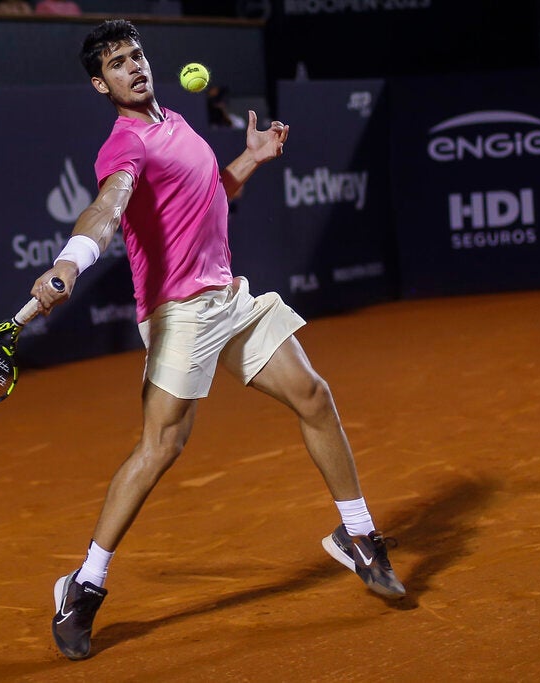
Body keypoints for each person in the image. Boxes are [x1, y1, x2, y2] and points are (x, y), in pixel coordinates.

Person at [29, 19, 407, 661]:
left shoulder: (176, 122)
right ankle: (84, 584)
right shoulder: (125, 145)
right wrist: (69, 260)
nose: (134, 67)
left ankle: (358, 534)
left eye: (137, 55)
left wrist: (251, 160)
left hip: (229, 297)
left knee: (313, 396)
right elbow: (107, 207)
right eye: (118, 64)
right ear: (102, 84)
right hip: (178, 314)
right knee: (161, 447)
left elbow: (208, 197)